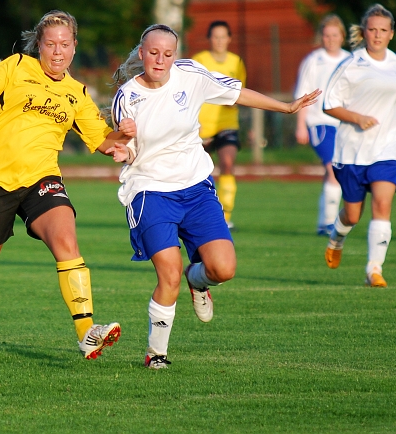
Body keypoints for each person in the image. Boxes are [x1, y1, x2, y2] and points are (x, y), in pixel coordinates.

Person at [0, 10, 134, 360]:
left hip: (41, 179)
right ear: (39, 45)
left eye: (64, 44)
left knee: (66, 241)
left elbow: (102, 139)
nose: (57, 51)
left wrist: (122, 137)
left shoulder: (76, 93)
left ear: (74, 46)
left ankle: (86, 332)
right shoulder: (17, 66)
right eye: (50, 44)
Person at [110, 24, 320, 369]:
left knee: (223, 268)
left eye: (167, 54)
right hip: (150, 190)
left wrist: (286, 107)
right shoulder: (127, 97)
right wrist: (123, 150)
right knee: (169, 275)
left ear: (175, 55)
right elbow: (126, 147)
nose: (160, 60)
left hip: (195, 187)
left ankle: (198, 281)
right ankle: (156, 354)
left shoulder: (191, 74)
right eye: (153, 53)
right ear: (142, 53)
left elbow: (237, 93)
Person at [322, 4, 396, 288]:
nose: (378, 35)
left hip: (387, 149)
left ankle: (374, 269)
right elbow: (329, 105)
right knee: (352, 215)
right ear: (364, 32)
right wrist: (357, 118)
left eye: (383, 30)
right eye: (372, 29)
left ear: (391, 33)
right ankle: (337, 238)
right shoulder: (351, 65)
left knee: (382, 204)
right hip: (352, 151)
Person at [294, 14, 351, 235]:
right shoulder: (313, 60)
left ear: (342, 37)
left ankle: (323, 223)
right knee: (332, 168)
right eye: (326, 35)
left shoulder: (350, 60)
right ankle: (329, 223)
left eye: (335, 35)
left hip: (344, 123)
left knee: (338, 171)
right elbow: (303, 94)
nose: (330, 39)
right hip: (320, 123)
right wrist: (301, 125)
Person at [191, 21, 247, 229]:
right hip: (201, 125)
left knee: (228, 163)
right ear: (209, 39)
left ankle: (225, 217)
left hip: (227, 123)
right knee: (196, 172)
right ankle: (197, 214)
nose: (219, 41)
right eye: (215, 37)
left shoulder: (236, 62)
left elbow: (241, 92)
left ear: (229, 39)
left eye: (223, 37)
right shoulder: (199, 61)